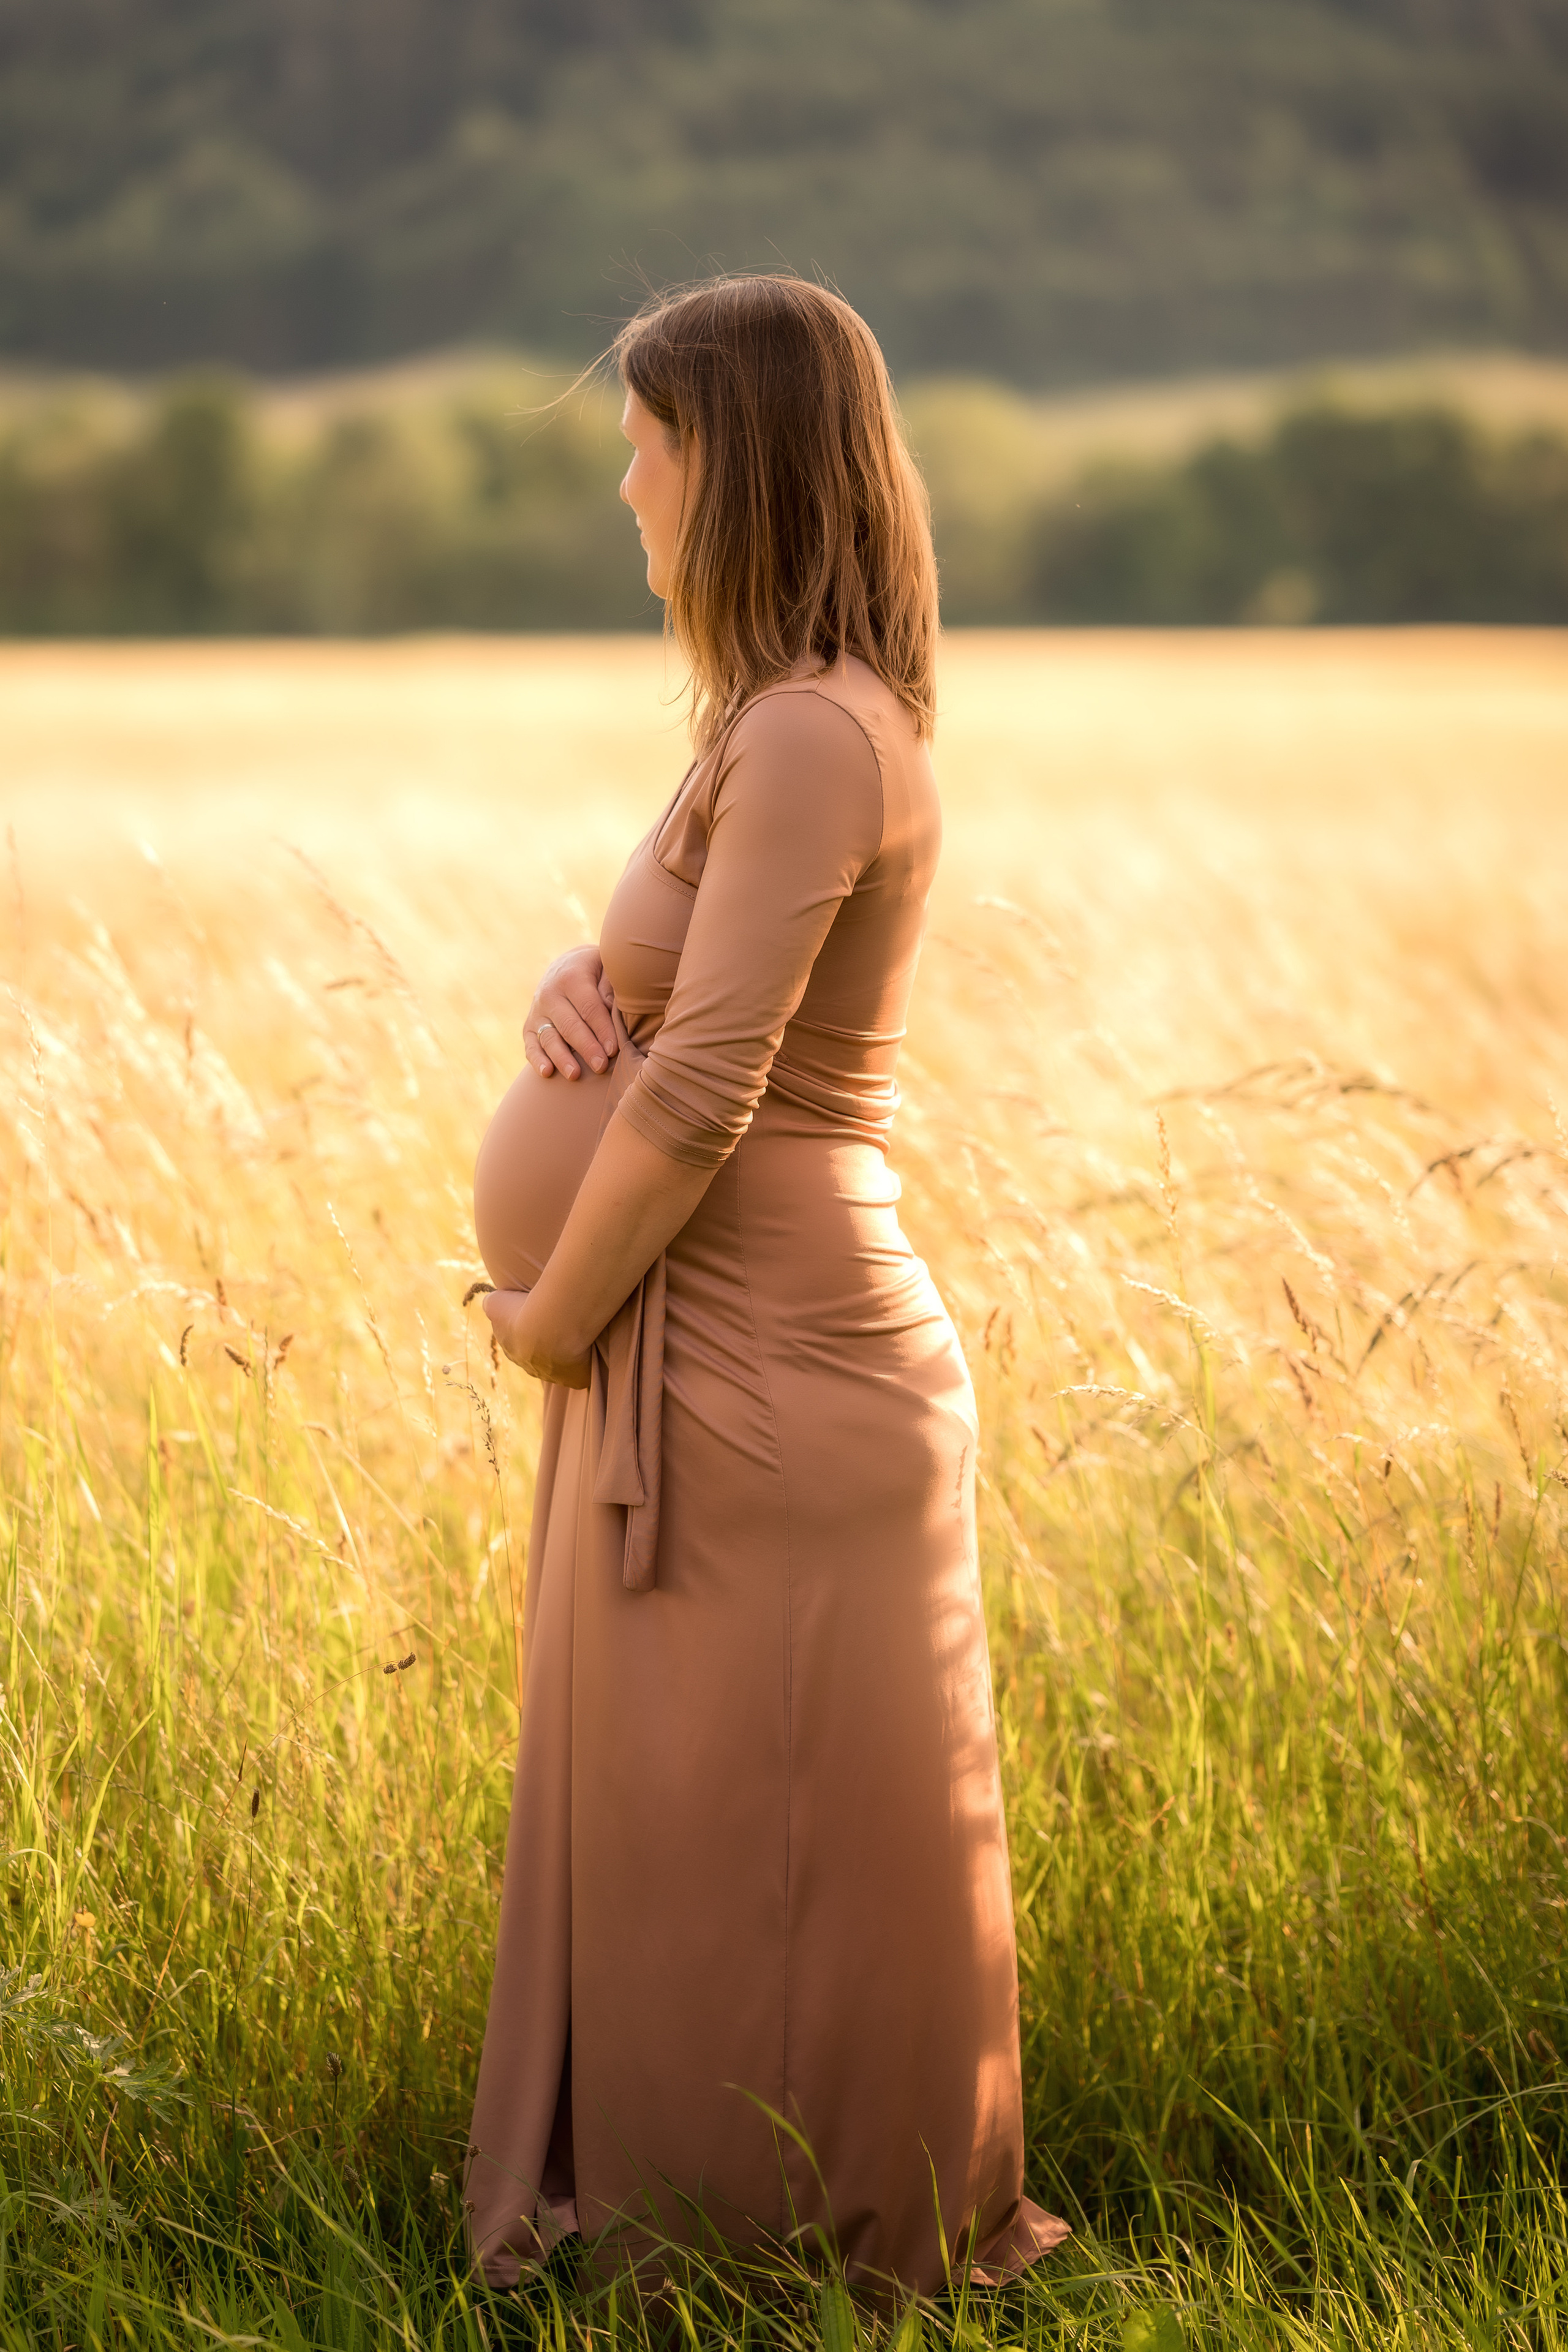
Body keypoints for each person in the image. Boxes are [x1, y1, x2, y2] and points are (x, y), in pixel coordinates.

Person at [465, 274, 1069, 2301]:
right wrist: (584, 971)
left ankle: (776, 2264)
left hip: (764, 1371)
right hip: (718, 1356)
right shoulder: (776, 724)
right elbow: (691, 998)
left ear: (730, 460)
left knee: (767, 1853)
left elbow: (720, 1086)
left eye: (646, 441)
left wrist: (552, 1321)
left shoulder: (810, 731)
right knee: (704, 1845)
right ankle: (711, 2245)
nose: (624, 483)